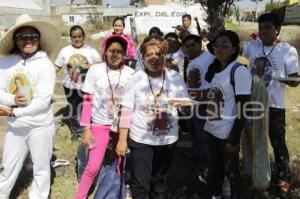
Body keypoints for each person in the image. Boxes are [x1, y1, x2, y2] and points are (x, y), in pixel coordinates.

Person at [115, 36, 189, 199]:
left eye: (158, 54)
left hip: (168, 140)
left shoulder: (175, 78)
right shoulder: (135, 79)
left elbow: (184, 108)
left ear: (164, 56)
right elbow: (126, 110)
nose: (154, 58)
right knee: (141, 183)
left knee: (160, 181)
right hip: (141, 140)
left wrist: (185, 107)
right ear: (142, 58)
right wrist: (122, 140)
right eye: (149, 55)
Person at [0, 14, 60, 199]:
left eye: (33, 37)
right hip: (16, 128)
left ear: (39, 40)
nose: (29, 41)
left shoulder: (45, 65)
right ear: (15, 39)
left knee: (41, 168)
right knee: (8, 167)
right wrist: (11, 99)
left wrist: (12, 111)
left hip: (40, 126)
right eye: (23, 36)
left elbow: (43, 102)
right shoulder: (5, 63)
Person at [242, 12, 299, 198]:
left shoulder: (287, 50)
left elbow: (295, 81)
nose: (262, 32)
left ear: (277, 29)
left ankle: (284, 179)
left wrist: (270, 75)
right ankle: (254, 173)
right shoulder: (251, 46)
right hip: (252, 103)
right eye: (260, 28)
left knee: (278, 142)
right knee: (251, 138)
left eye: (267, 27)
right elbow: (233, 54)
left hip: (275, 106)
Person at [74, 35, 134, 199]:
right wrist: (86, 128)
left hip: (121, 126)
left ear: (124, 54)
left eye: (119, 52)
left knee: (119, 163)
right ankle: (80, 196)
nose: (115, 55)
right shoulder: (95, 70)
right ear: (105, 51)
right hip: (99, 125)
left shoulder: (131, 73)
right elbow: (87, 101)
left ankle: (116, 192)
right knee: (93, 166)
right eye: (112, 50)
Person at [204, 30, 252, 199]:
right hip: (210, 129)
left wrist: (233, 138)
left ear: (234, 49)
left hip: (226, 133)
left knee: (232, 173)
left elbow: (244, 107)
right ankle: (216, 195)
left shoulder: (238, 71)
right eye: (217, 45)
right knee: (215, 168)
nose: (220, 48)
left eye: (225, 45)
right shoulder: (216, 69)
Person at [55, 25, 101, 141]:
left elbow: (100, 65)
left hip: (87, 86)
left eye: (79, 36)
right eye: (74, 37)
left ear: (83, 36)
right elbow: (57, 66)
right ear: (70, 37)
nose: (77, 39)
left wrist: (90, 66)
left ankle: (88, 129)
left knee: (87, 108)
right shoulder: (64, 51)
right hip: (70, 87)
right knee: (73, 109)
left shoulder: (91, 50)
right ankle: (76, 131)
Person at [183, 34, 215, 179]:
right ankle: (200, 167)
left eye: (193, 45)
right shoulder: (190, 63)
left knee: (204, 139)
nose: (190, 48)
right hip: (193, 106)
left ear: (200, 44)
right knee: (196, 138)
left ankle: (208, 170)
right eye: (187, 46)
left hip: (205, 106)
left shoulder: (210, 57)